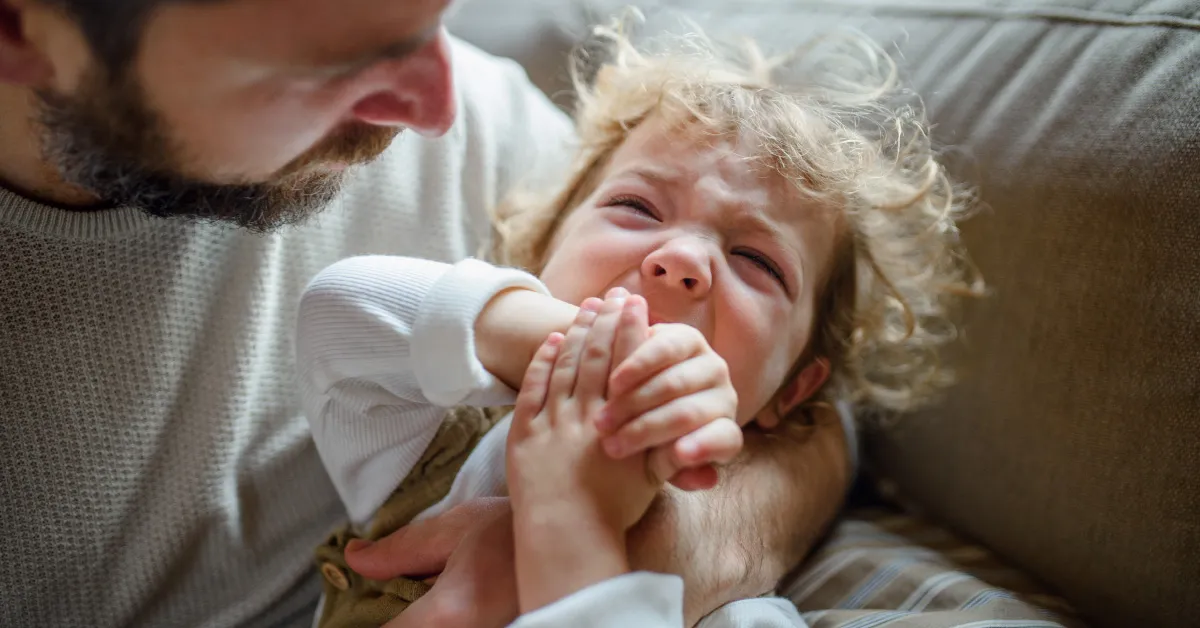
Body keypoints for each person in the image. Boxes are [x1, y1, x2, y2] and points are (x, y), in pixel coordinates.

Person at [0, 1, 860, 627]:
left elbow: (834, 412)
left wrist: (621, 539)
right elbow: (343, 313)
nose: (437, 108)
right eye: (326, 59)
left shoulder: (500, 140)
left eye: (434, 15)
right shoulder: (434, 440)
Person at [295, 20, 979, 627]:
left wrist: (576, 526)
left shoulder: (736, 605)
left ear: (792, 392)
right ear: (539, 255)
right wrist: (550, 341)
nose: (682, 258)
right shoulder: (434, 441)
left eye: (755, 261)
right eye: (638, 208)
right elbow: (340, 311)